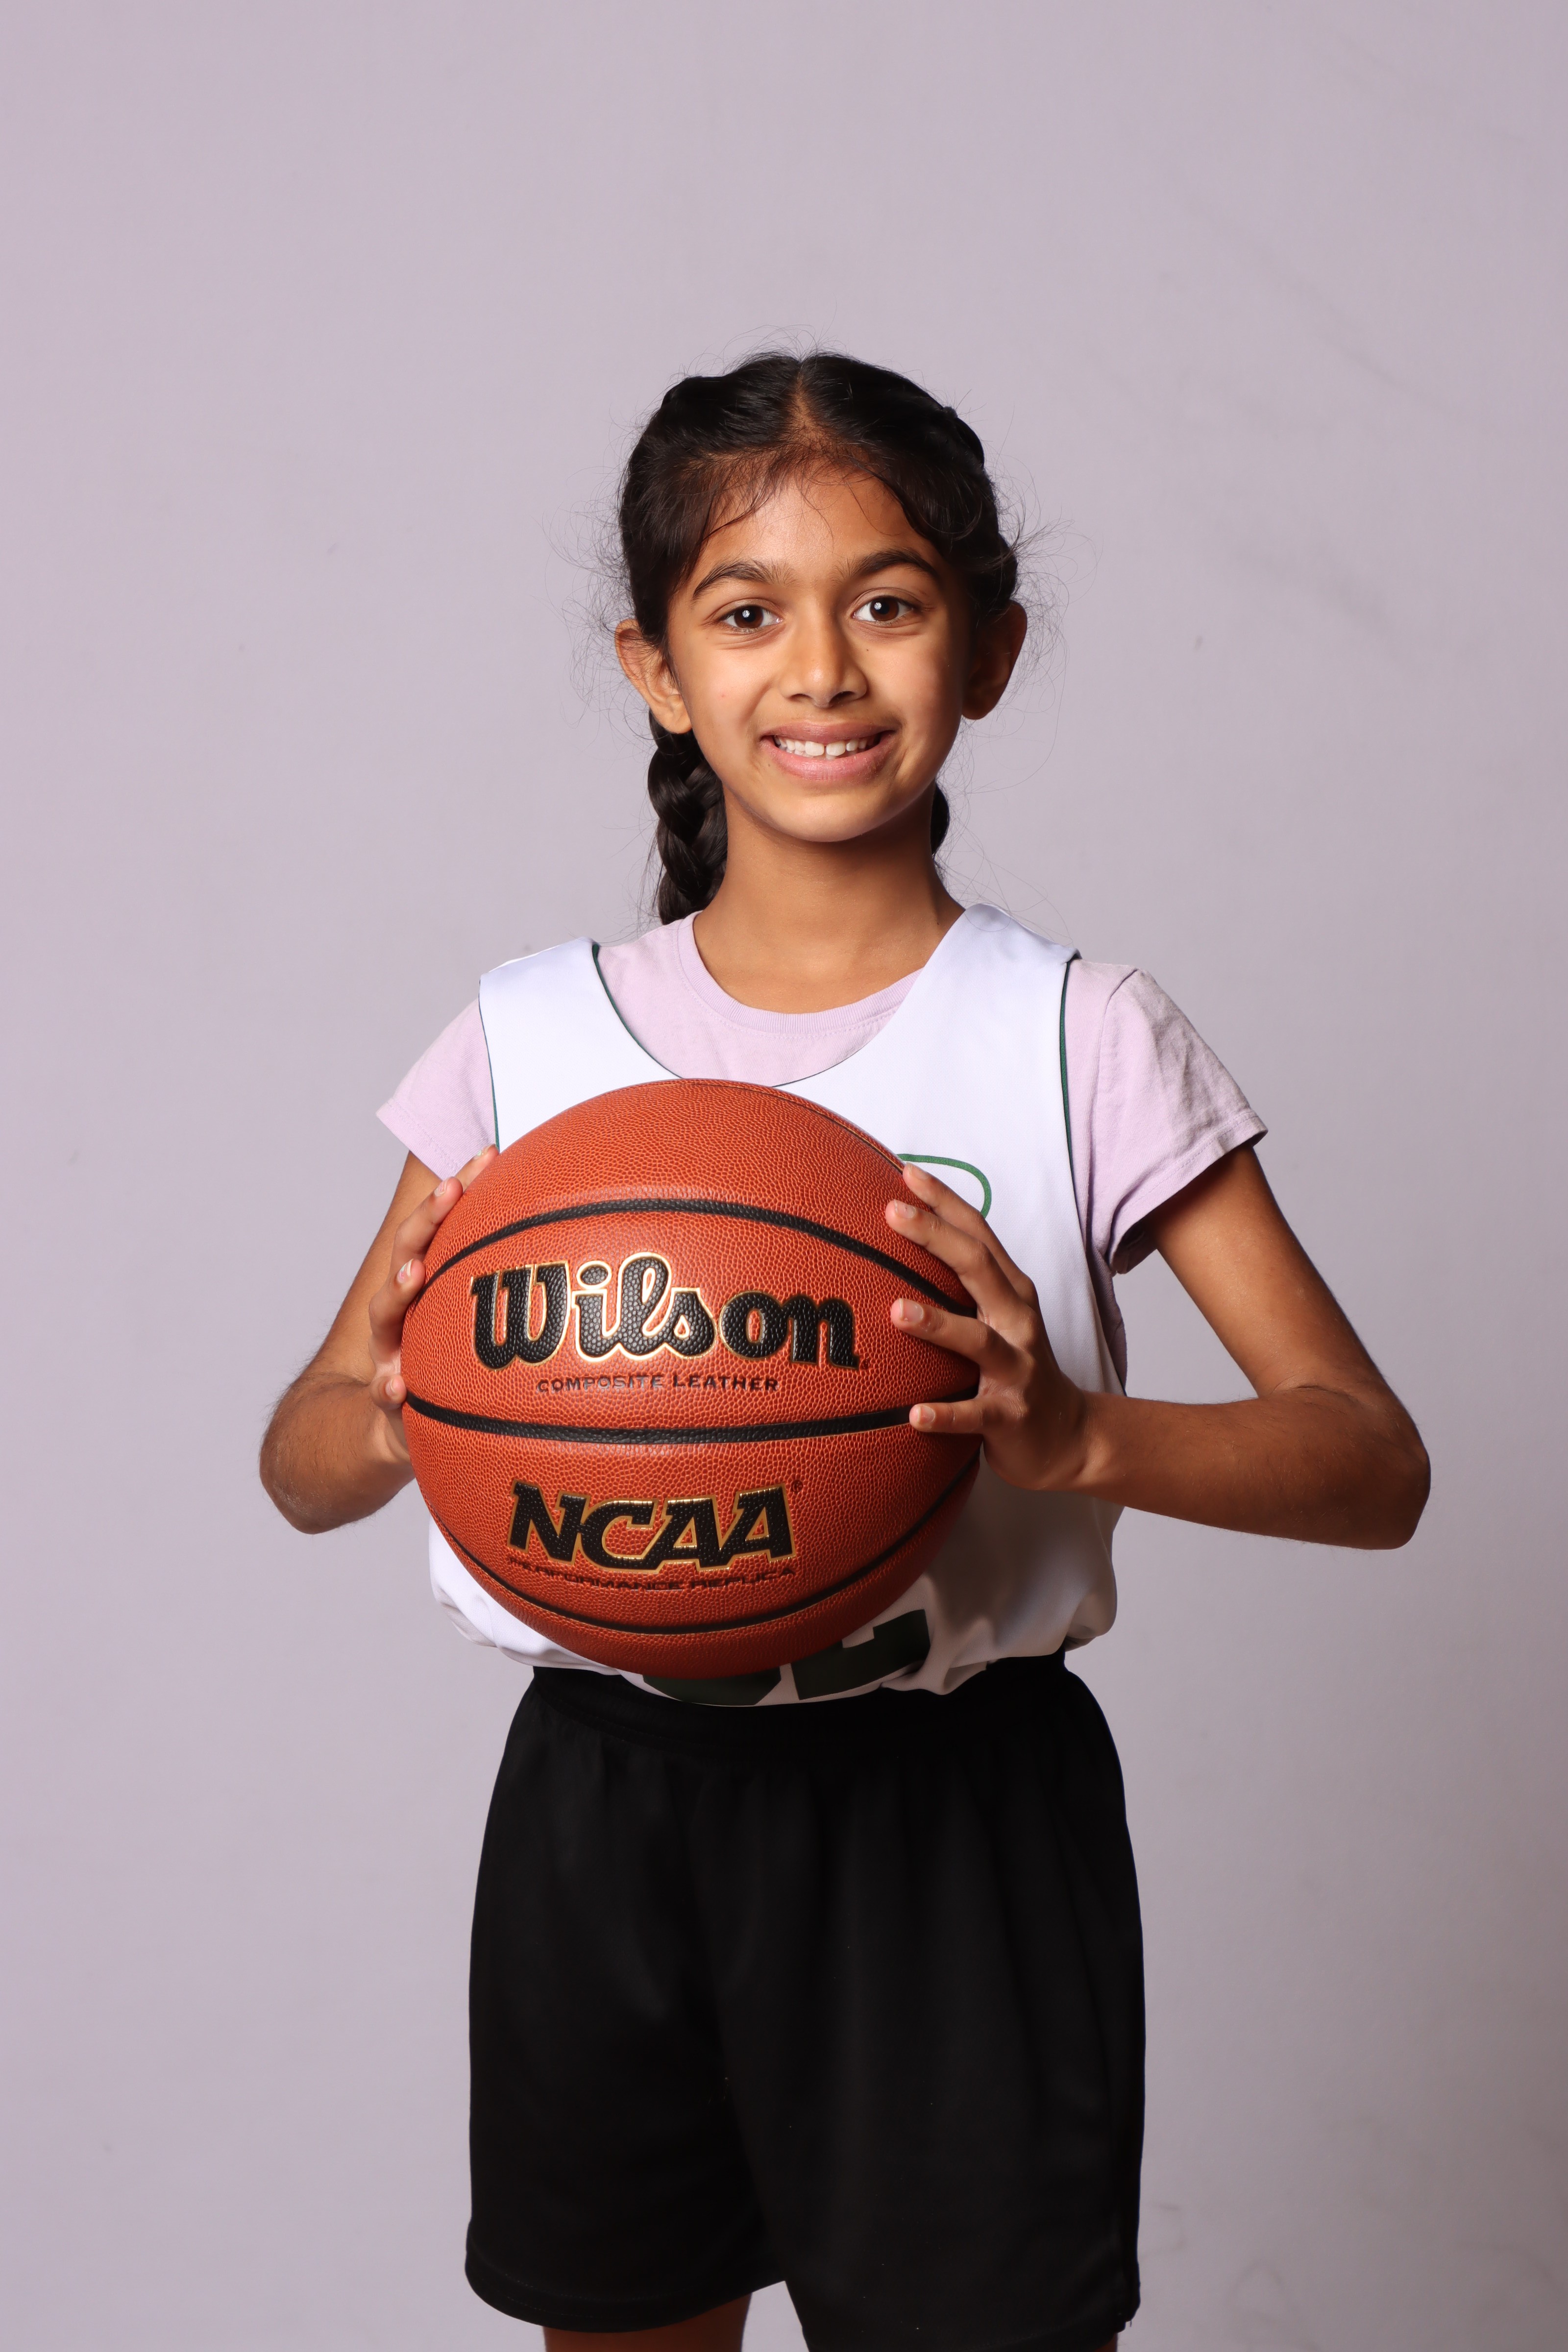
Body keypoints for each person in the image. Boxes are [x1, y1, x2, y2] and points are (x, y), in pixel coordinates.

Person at [260, 353, 1428, 2352]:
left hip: (951, 1816)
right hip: (608, 1804)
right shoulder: (525, 1045)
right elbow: (302, 1467)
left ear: (988, 652)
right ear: (655, 670)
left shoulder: (1075, 1034)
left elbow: (1369, 1463)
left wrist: (1079, 1437)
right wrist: (384, 1411)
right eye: (746, 611)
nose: (820, 666)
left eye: (888, 601)